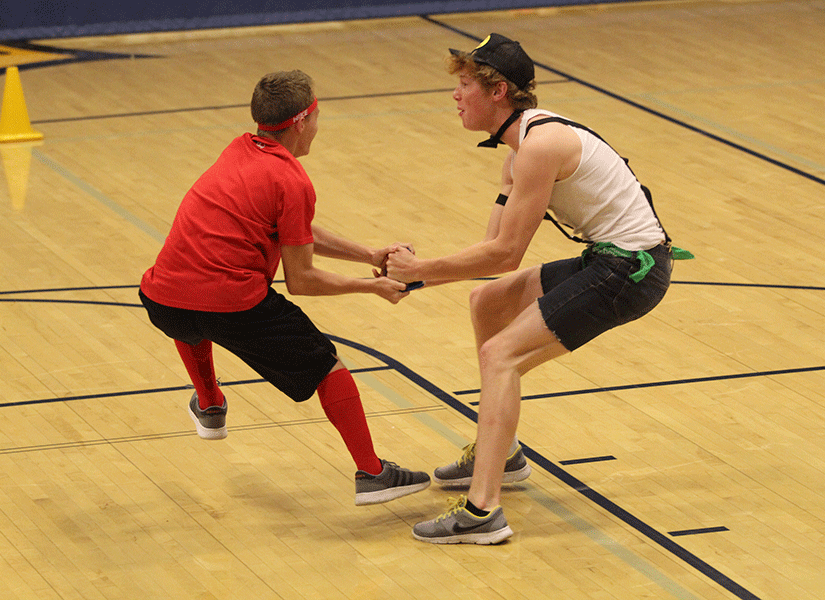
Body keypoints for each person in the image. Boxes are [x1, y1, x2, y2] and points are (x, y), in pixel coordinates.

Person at [387, 34, 691, 543]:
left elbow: (506, 254)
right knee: (489, 300)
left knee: (501, 356)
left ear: (498, 90)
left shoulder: (539, 147)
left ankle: (483, 513)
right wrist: (422, 272)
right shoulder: (519, 151)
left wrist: (420, 269)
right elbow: (491, 254)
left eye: (464, 85)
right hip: (612, 258)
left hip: (630, 271)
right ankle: (502, 456)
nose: (456, 95)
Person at [139, 70, 430, 507]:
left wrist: (369, 255)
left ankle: (210, 402)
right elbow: (302, 280)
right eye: (317, 114)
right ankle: (373, 473)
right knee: (328, 366)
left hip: (162, 299)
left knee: (192, 316)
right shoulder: (291, 179)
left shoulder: (240, 150)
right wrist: (373, 288)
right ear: (301, 120)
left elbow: (292, 228)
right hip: (233, 304)